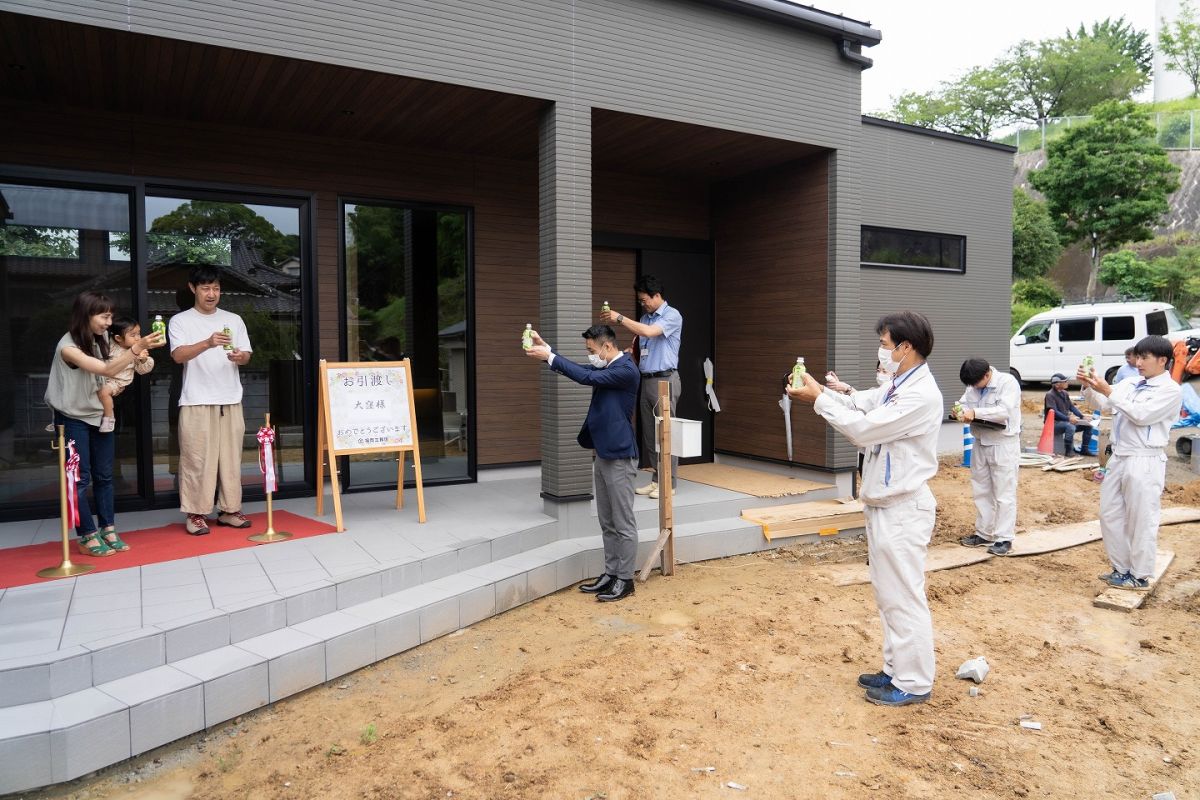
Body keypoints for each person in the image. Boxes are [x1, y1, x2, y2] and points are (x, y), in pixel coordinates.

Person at [787, 311, 942, 707]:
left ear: (906, 348)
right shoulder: (897, 384)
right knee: (888, 594)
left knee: (904, 596)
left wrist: (819, 400)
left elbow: (865, 428)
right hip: (884, 504)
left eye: (886, 345)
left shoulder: (920, 394)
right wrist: (823, 390)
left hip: (904, 508)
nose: (882, 351)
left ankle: (913, 681)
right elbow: (862, 401)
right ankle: (894, 669)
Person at [525, 324, 641, 602]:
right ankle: (611, 573)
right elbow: (585, 370)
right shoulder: (609, 366)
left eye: (591, 350)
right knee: (607, 519)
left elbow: (586, 377)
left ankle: (625, 579)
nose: (590, 355)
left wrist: (549, 358)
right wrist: (549, 350)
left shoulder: (626, 369)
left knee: (623, 522)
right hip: (603, 453)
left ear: (606, 347)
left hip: (621, 455)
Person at [44, 292, 165, 556]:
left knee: (104, 476)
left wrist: (139, 353)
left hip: (99, 415)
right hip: (73, 418)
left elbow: (124, 365)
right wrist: (135, 349)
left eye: (111, 316)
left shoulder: (102, 341)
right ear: (86, 315)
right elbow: (107, 371)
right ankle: (87, 535)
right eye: (104, 316)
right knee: (79, 479)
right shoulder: (68, 347)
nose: (109, 322)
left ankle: (108, 528)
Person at [1078, 335, 1182, 592]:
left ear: (1162, 361)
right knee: (1110, 514)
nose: (1138, 362)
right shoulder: (1131, 382)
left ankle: (1140, 574)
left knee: (1141, 518)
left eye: (1145, 357)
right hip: (1120, 456)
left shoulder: (1170, 390)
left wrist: (1108, 391)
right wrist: (1090, 386)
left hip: (1144, 459)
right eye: (1137, 356)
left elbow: (1141, 415)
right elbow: (1104, 405)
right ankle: (1121, 568)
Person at [169, 265, 254, 535]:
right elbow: (178, 355)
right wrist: (207, 343)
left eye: (216, 288)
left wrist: (240, 357)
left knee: (231, 459)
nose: (211, 293)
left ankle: (230, 510)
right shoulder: (180, 321)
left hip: (230, 398)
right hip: (196, 399)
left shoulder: (235, 319)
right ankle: (195, 514)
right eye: (205, 288)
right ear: (193, 289)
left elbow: (247, 354)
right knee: (197, 459)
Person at [601, 275, 682, 500]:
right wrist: (630, 353)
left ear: (657, 296)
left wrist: (619, 318)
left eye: (645, 299)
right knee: (650, 433)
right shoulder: (645, 318)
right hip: (646, 379)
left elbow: (649, 333)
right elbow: (643, 344)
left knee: (666, 432)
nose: (643, 303)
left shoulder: (672, 315)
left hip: (665, 380)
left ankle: (669, 483)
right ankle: (657, 480)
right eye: (640, 300)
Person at [954, 359, 1022, 556]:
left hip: (1003, 443)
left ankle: (1004, 538)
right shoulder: (973, 385)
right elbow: (964, 403)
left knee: (1004, 492)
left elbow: (1005, 411)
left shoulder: (1007, 383)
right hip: (980, 441)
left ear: (987, 375)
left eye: (976, 383)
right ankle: (984, 533)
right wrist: (958, 410)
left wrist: (974, 412)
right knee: (981, 489)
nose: (974, 387)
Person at [96, 316, 155, 433]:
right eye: (133, 335)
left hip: (117, 382)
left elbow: (143, 370)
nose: (138, 338)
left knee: (103, 392)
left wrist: (143, 359)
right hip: (102, 378)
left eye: (139, 334)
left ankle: (109, 418)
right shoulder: (110, 344)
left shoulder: (138, 350)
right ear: (118, 338)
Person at [1044, 374, 1093, 456]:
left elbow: (1071, 407)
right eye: (1065, 381)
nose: (1067, 382)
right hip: (1054, 424)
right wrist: (1068, 419)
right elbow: (1055, 412)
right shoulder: (1050, 395)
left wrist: (1082, 417)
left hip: (1064, 421)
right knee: (1070, 426)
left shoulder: (1064, 393)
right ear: (1057, 384)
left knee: (1088, 426)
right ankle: (1068, 450)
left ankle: (1084, 449)